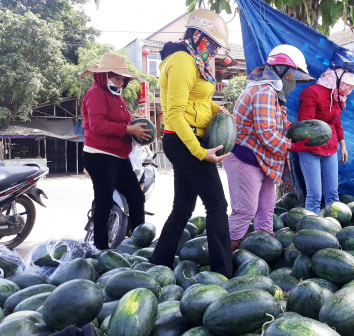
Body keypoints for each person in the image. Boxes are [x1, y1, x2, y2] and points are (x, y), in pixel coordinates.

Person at [149, 9, 233, 277]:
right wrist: (200, 152)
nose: (215, 50)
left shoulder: (196, 59)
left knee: (183, 208)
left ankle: (159, 262)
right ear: (198, 36)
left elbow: (199, 100)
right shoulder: (183, 61)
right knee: (217, 205)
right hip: (184, 140)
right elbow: (174, 113)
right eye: (213, 43)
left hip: (188, 139)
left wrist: (220, 111)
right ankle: (223, 272)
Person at [224, 45, 315, 251]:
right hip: (245, 158)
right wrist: (292, 145)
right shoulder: (264, 90)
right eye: (291, 75)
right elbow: (266, 134)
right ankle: (225, 253)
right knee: (246, 210)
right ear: (280, 71)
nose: (293, 81)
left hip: (263, 160)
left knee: (266, 209)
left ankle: (263, 249)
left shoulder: (273, 92)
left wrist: (290, 129)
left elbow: (273, 125)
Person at [80, 53, 151, 250]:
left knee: (136, 196)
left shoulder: (116, 96)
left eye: (123, 79)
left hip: (119, 156)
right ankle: (100, 249)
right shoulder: (95, 93)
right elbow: (97, 125)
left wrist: (136, 127)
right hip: (99, 155)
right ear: (104, 75)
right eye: (117, 77)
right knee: (104, 202)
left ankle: (140, 243)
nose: (121, 82)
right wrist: (129, 129)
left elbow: (123, 121)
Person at [291, 48, 354, 213]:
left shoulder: (338, 96)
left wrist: (343, 145)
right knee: (314, 195)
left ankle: (332, 230)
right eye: (349, 83)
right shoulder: (312, 93)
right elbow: (305, 125)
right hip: (309, 149)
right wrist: (319, 135)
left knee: (332, 194)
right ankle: (312, 232)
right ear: (337, 76)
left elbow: (336, 122)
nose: (350, 88)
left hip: (331, 148)